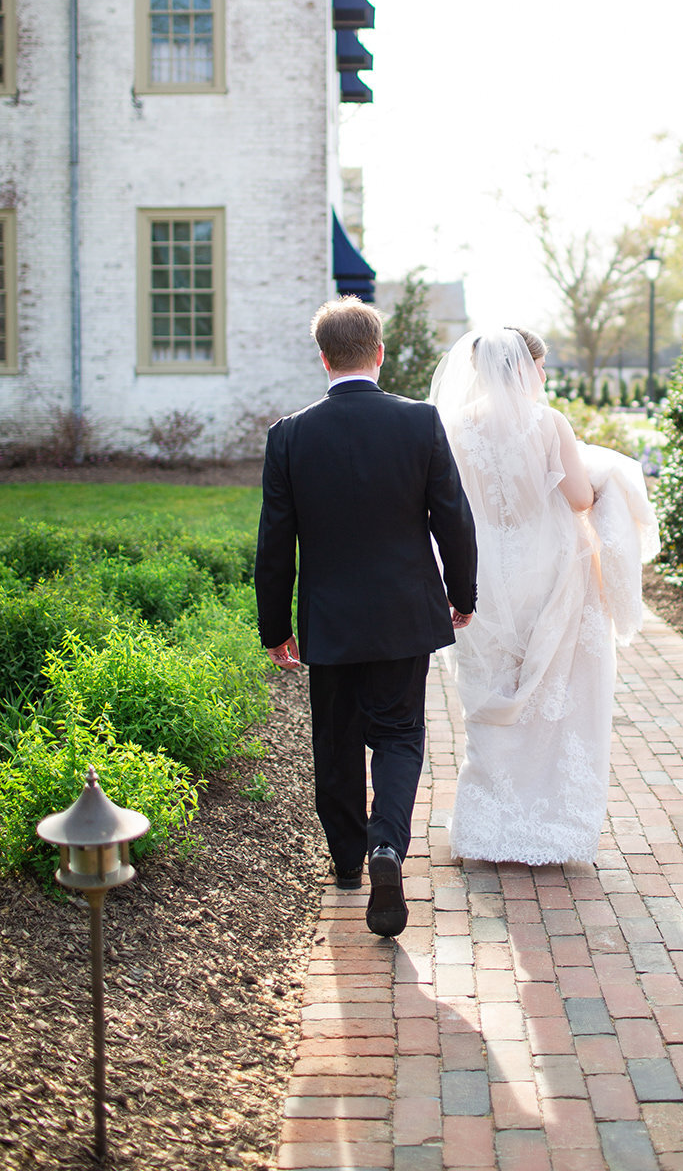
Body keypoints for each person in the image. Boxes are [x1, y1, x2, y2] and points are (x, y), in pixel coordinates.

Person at [254, 298, 477, 937]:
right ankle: (388, 847)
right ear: (378, 354)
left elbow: (275, 541)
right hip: (405, 613)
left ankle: (348, 864)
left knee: (337, 739)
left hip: (328, 621)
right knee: (401, 735)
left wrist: (275, 627)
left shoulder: (289, 435)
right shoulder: (420, 423)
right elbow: (453, 520)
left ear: (323, 358)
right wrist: (463, 594)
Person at [429, 327, 658, 867]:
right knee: (558, 698)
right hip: (552, 571)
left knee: (489, 692)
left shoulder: (455, 425)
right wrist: (607, 481)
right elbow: (579, 498)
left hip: (483, 573)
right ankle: (551, 825)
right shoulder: (547, 422)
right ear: (524, 368)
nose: (544, 377)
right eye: (541, 367)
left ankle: (485, 826)